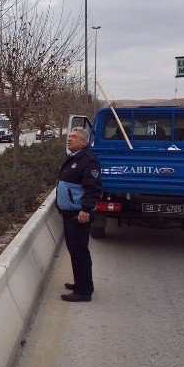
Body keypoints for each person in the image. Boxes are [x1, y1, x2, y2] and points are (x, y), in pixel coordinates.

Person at [56, 127, 102, 302]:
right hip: (69, 213)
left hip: (79, 214)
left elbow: (94, 189)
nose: (70, 139)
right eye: (69, 136)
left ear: (84, 142)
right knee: (74, 251)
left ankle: (84, 292)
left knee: (80, 251)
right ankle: (80, 283)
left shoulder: (89, 161)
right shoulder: (74, 157)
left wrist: (86, 209)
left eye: (74, 137)